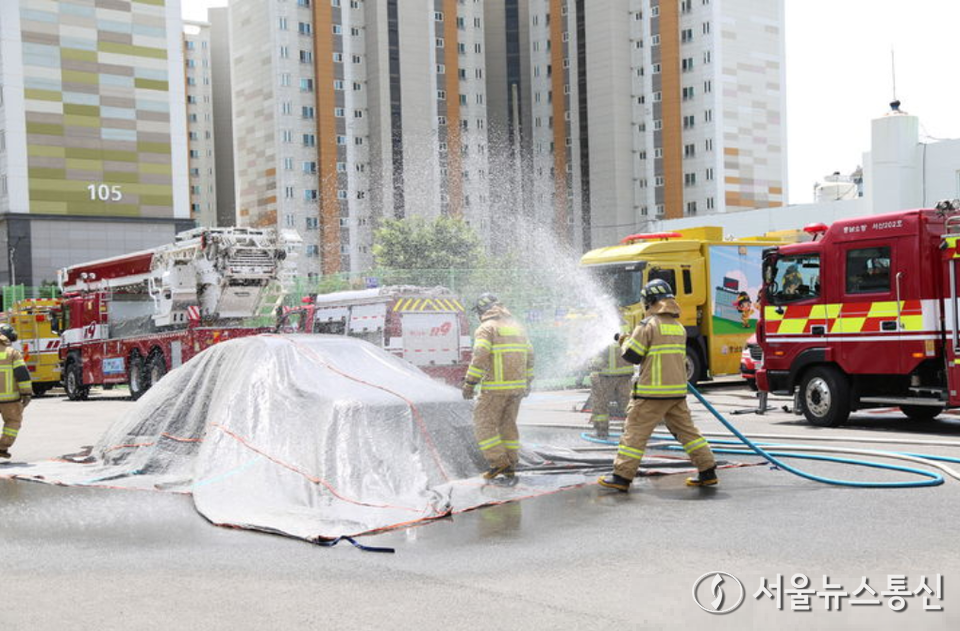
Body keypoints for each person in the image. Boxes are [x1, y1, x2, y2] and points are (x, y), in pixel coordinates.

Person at [598, 279, 718, 492]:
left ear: (650, 301)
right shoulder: (678, 327)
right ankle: (707, 471)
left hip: (651, 394)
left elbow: (632, 355)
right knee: (689, 433)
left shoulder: (648, 325)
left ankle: (621, 477)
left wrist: (624, 340)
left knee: (634, 433)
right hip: (676, 394)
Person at [462, 293, 535, 484]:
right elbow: (530, 355)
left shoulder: (486, 328)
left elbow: (480, 356)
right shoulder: (517, 327)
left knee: (483, 424)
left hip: (495, 389)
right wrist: (527, 381)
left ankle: (498, 462)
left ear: (482, 311)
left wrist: (470, 383)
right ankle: (511, 463)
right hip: (517, 389)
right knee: (508, 425)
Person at [587, 324, 634, 438]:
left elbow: (599, 357)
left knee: (600, 405)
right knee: (629, 405)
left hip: (606, 376)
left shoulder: (603, 330)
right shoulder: (627, 329)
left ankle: (601, 432)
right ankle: (632, 433)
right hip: (625, 375)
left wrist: (592, 367)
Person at [0, 324, 33, 460]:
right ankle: (2, 447)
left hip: (10, 399)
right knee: (13, 422)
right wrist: (26, 393)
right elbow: (22, 375)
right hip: (10, 400)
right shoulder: (12, 353)